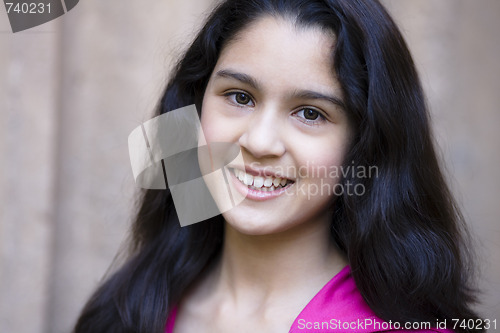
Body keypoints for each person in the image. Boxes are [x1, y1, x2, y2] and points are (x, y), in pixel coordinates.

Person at [74, 0, 484, 332]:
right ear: (193, 110)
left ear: (365, 146)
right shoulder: (122, 310)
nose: (259, 141)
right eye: (239, 97)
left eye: (310, 113)